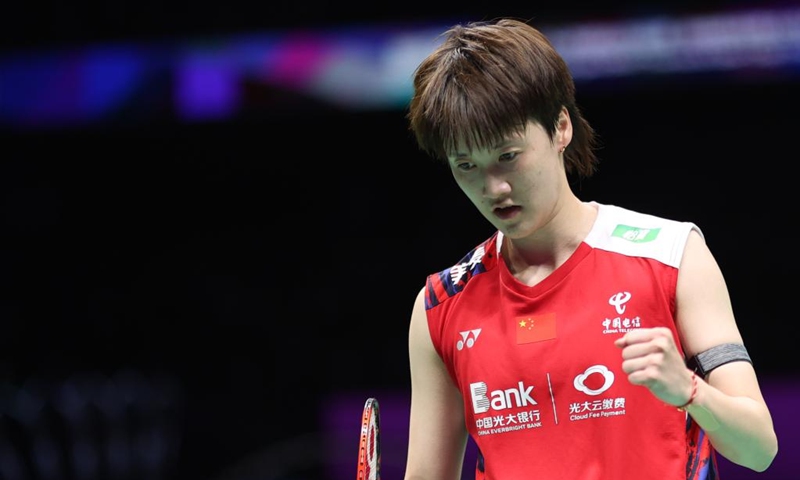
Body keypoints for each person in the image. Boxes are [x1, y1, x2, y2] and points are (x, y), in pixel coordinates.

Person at [401, 17, 778, 479]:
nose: (493, 187)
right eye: (466, 165)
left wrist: (688, 389)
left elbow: (759, 448)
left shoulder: (671, 255)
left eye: (508, 155)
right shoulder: (441, 307)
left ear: (561, 127)